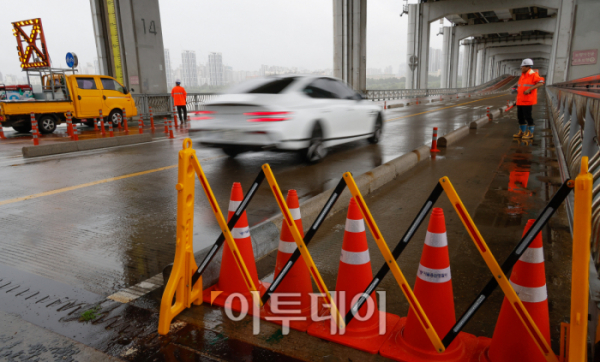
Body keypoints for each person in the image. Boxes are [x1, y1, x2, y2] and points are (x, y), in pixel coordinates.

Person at [513, 59, 545, 140]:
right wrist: (516, 100)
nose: (521, 68)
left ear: (527, 67)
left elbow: (541, 83)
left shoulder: (533, 74)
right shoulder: (523, 75)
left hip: (527, 100)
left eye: (522, 66)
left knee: (528, 117)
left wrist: (529, 89)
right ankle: (522, 132)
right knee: (520, 117)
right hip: (520, 100)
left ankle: (530, 133)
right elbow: (520, 88)